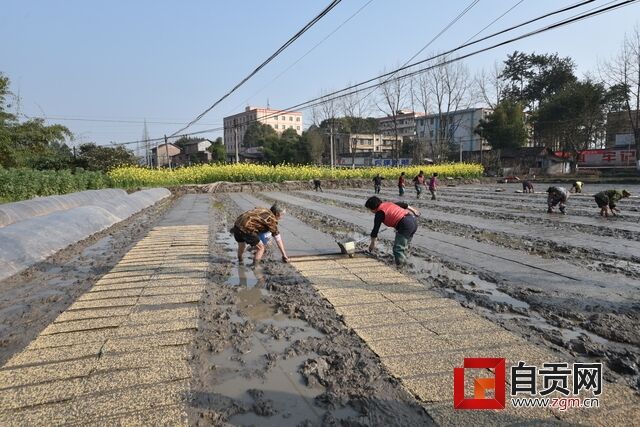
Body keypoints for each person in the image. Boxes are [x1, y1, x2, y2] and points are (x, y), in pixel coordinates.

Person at [365, 196, 420, 267]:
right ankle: (404, 262)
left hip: (405, 224)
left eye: (369, 209)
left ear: (373, 208)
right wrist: (414, 211)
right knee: (404, 245)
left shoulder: (379, 213)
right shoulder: (389, 204)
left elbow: (375, 230)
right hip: (413, 220)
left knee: (398, 249)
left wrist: (372, 243)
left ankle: (400, 266)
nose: (370, 211)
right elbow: (404, 205)